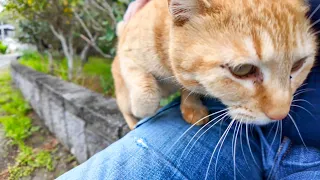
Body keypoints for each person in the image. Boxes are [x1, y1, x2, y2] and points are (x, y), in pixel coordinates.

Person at [57, 0, 320, 179]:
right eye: (243, 69)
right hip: (219, 120)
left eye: (297, 63)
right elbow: (130, 46)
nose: (280, 108)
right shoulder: (174, 22)